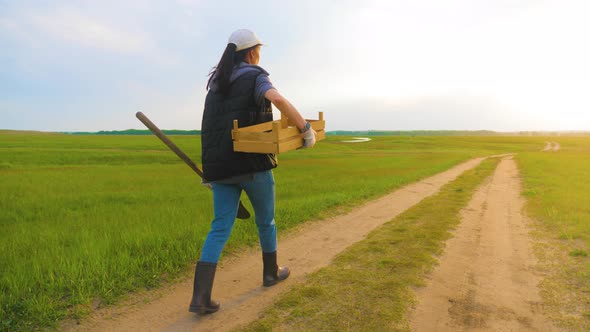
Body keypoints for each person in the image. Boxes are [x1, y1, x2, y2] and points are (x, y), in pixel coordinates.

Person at [189, 29, 317, 314]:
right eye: (259, 49)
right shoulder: (255, 76)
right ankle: (270, 274)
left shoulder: (216, 84)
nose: (259, 54)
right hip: (252, 166)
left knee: (219, 227)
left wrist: (209, 172)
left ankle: (200, 297)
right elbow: (278, 100)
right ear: (251, 52)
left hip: (220, 169)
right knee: (266, 221)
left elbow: (209, 129)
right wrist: (305, 129)